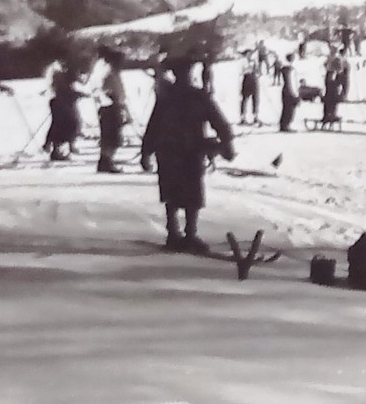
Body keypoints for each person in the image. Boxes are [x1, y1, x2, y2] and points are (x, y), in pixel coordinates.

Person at [142, 58, 235, 253]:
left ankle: (174, 234)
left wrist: (146, 151)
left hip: (170, 151)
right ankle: (189, 235)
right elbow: (219, 121)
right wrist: (227, 143)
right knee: (191, 194)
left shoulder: (166, 97)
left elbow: (153, 127)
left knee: (172, 192)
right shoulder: (198, 96)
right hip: (190, 151)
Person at [96, 49, 130, 174]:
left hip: (115, 107)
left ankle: (107, 161)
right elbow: (107, 91)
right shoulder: (109, 73)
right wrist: (116, 101)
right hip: (109, 108)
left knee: (114, 137)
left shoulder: (114, 73)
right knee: (110, 137)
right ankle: (105, 162)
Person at [44, 62, 85, 162]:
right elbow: (61, 88)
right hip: (60, 101)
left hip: (61, 100)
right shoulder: (57, 71)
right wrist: (74, 94)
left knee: (64, 124)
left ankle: (55, 147)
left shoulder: (58, 69)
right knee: (63, 125)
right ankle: (55, 150)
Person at [238, 52, 261, 126]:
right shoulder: (243, 62)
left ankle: (255, 116)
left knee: (255, 99)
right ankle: (243, 117)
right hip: (247, 79)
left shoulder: (254, 61)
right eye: (248, 54)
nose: (250, 55)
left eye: (251, 54)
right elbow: (242, 72)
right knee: (245, 99)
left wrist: (257, 70)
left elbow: (258, 72)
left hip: (254, 79)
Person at [278, 54, 298, 132]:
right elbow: (292, 82)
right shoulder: (291, 69)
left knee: (285, 108)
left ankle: (283, 124)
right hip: (290, 90)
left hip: (284, 89)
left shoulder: (283, 68)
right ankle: (287, 125)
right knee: (290, 109)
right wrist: (295, 93)